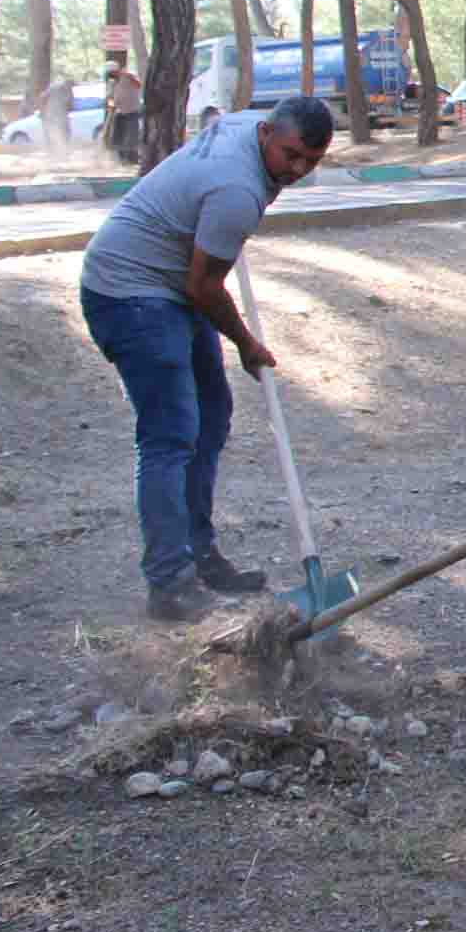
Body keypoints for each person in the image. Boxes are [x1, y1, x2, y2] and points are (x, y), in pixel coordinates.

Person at [79, 96, 334, 621]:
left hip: (170, 286)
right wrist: (246, 342)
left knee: (211, 418)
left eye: (312, 160)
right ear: (265, 133)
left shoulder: (246, 130)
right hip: (129, 292)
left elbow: (198, 279)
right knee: (170, 435)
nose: (298, 170)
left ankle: (197, 553)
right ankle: (170, 582)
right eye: (291, 156)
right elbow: (204, 286)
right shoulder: (236, 190)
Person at [107, 66, 145, 166]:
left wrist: (128, 75)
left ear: (116, 71)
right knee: (117, 136)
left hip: (133, 111)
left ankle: (133, 158)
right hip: (121, 112)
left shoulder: (128, 77)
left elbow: (138, 85)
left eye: (113, 72)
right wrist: (112, 105)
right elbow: (112, 98)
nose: (112, 76)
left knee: (132, 136)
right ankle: (121, 159)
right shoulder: (113, 84)